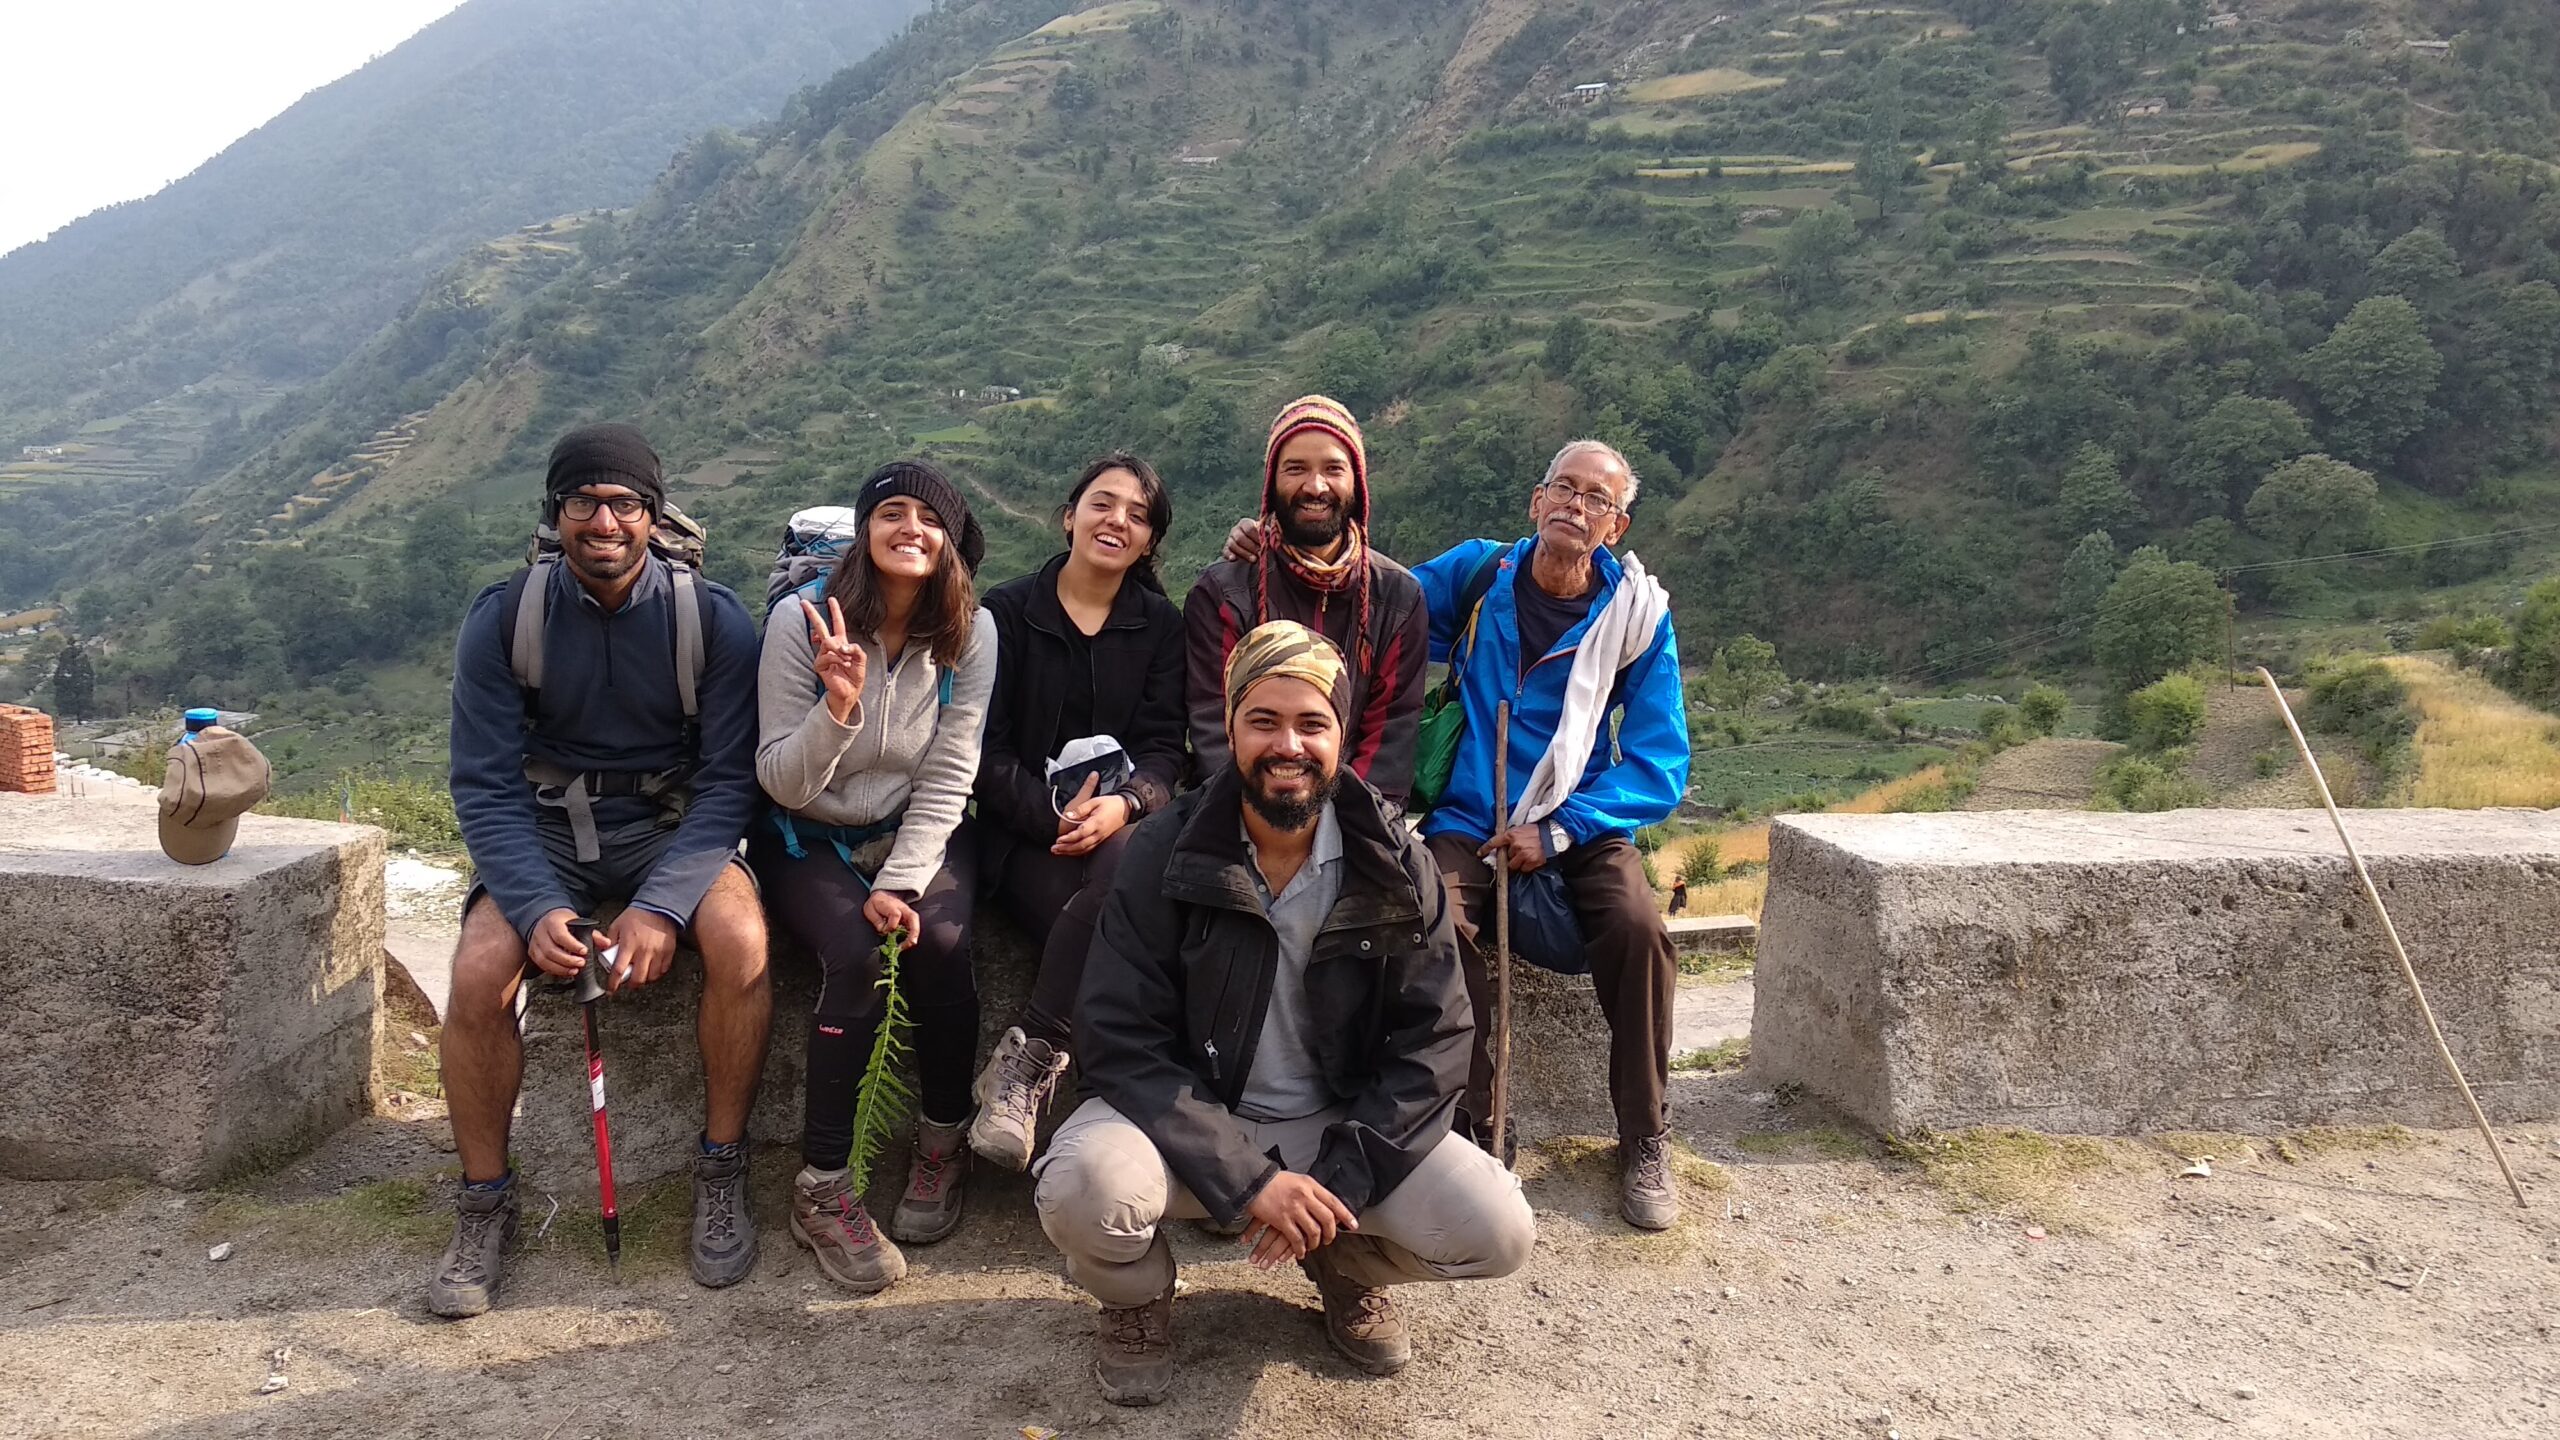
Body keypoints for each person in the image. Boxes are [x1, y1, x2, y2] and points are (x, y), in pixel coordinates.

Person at [1034, 621, 1536, 1406]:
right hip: (1190, 1125)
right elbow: (1120, 1038)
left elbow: (1436, 1040)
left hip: (1339, 1124)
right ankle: (1136, 1298)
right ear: (1230, 728)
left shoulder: (1394, 863)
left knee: (1496, 1230)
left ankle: (1341, 1261)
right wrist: (1247, 1180)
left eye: (1312, 723)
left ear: (1341, 735)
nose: (1288, 745)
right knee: (1082, 1188)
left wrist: (1342, 1180)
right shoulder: (1161, 852)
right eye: (1263, 720)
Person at [436, 423, 770, 1317]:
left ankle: (722, 1168)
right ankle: (483, 1201)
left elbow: (730, 781)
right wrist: (535, 905)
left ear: (655, 516)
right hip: (544, 828)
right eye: (582, 501)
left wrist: (661, 908)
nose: (604, 521)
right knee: (478, 971)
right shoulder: (505, 618)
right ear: (555, 514)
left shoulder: (712, 620)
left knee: (740, 942)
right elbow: (484, 783)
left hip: (669, 825)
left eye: (624, 503)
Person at [1411, 439, 1691, 1230]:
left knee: (1638, 929)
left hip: (1580, 816)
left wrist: (1561, 828)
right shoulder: (1479, 575)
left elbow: (1659, 760)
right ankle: (1476, 1131)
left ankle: (1644, 1135)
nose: (1576, 504)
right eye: (1563, 488)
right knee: (1435, 923)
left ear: (1617, 525)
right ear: (1537, 502)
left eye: (1597, 498)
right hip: (1471, 812)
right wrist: (1279, 554)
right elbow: (1378, 602)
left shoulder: (1636, 617)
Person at [753, 459, 997, 1293]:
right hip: (807, 832)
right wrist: (837, 708)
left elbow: (952, 770)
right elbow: (781, 780)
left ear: (952, 545)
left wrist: (902, 878)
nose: (910, 529)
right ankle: (823, 1189)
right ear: (865, 531)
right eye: (892, 512)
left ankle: (942, 1142)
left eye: (930, 520)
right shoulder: (801, 621)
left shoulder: (971, 634)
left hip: (915, 826)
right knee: (857, 956)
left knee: (943, 943)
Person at [968, 454, 1187, 1171]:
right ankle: (1112, 1131)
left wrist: (1126, 804)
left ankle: (1031, 1057)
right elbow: (983, 748)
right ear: (1069, 517)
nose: (1117, 521)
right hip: (1022, 839)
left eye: (1138, 515)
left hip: (1118, 835)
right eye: (1102, 503)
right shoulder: (1007, 613)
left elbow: (1165, 748)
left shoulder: (1161, 626)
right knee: (1128, 921)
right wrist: (1051, 815)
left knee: (1128, 864)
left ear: (1149, 541)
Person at [1185, 395, 1428, 810]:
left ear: (1357, 483)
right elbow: (1214, 729)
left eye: (1333, 469)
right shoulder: (1224, 593)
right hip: (1241, 811)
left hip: (1355, 815)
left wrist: (1346, 824)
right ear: (1271, 483)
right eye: (1295, 468)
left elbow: (1392, 736)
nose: (1315, 486)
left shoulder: (1398, 598)